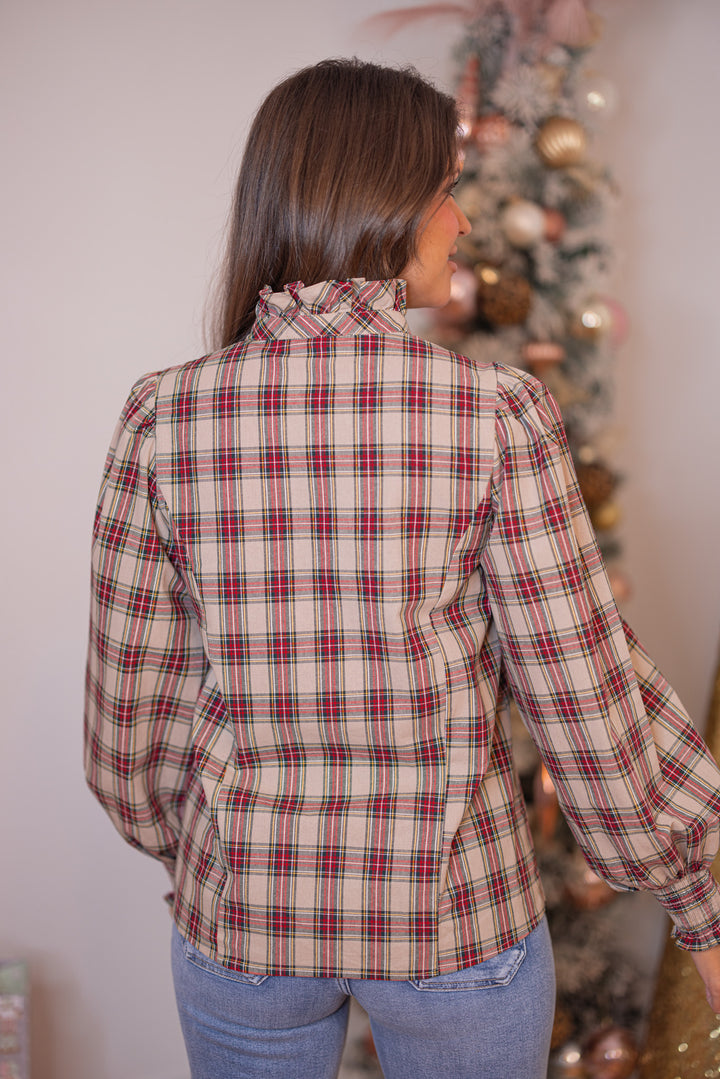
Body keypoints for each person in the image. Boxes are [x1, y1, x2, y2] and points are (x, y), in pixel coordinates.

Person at [84, 58, 720, 1079]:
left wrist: (197, 857)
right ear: (381, 203)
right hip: (453, 916)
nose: (461, 223)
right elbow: (584, 695)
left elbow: (130, 730)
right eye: (445, 191)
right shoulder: (493, 412)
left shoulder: (164, 416)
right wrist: (696, 893)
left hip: (242, 914)